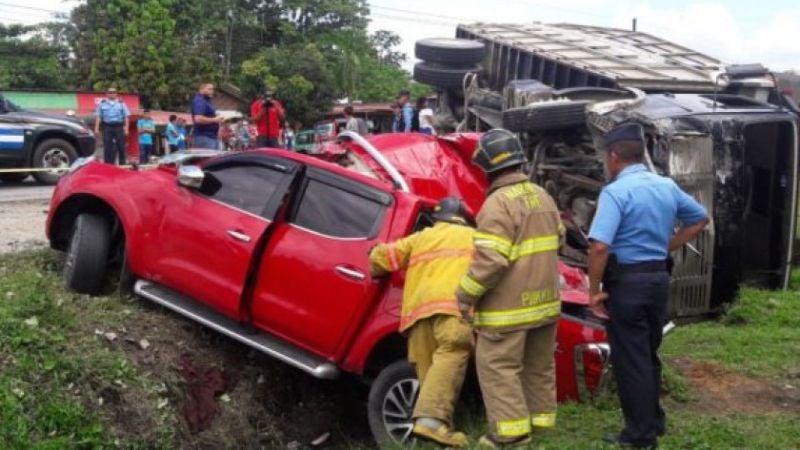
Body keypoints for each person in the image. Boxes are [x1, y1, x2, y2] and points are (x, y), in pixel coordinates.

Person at [587, 123, 709, 449]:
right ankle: (653, 421)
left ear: (614, 157)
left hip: (627, 283)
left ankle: (640, 436)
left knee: (631, 359)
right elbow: (700, 218)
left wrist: (593, 290)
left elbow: (599, 246)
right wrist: (667, 246)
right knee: (648, 353)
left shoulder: (616, 192)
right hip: (658, 280)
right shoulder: (665, 185)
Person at [456, 129, 563, 448]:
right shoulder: (543, 196)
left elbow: (491, 262)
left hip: (508, 310)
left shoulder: (497, 204)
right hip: (544, 303)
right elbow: (558, 240)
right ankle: (540, 424)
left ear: (486, 167)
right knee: (538, 367)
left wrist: (464, 295)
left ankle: (511, 434)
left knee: (499, 368)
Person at [369, 197, 475, 448]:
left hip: (418, 315)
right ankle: (432, 423)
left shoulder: (422, 237)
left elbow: (381, 258)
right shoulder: (474, 237)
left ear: (437, 219)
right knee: (453, 353)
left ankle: (437, 432)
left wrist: (372, 257)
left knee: (430, 372)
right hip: (452, 308)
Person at [94, 87, 130, 165]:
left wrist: (126, 129)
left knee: (121, 146)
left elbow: (126, 117)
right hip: (107, 126)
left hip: (119, 126)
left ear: (116, 94)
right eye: (110, 92)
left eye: (114, 92)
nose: (112, 94)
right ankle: (108, 165)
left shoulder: (121, 103)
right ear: (106, 94)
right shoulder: (102, 104)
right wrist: (96, 128)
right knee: (107, 146)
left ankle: (122, 164)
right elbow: (98, 116)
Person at [190, 83, 225, 150]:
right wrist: (215, 119)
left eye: (212, 89)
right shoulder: (199, 101)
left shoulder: (207, 101)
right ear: (201, 89)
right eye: (209, 89)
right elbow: (198, 119)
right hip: (204, 137)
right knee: (209, 160)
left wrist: (218, 120)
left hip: (211, 137)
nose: (212, 91)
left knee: (215, 159)